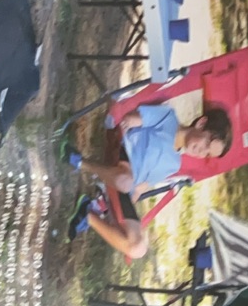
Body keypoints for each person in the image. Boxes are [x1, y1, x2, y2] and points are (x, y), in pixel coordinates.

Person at [72, 97, 232, 263]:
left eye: (207, 154)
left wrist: (120, 213)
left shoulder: (174, 164)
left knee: (138, 248)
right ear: (201, 123)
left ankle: (87, 215)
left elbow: (140, 187)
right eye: (206, 144)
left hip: (124, 184)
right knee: (126, 182)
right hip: (121, 153)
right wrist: (121, 125)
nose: (202, 152)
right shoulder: (168, 117)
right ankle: (81, 163)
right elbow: (128, 121)